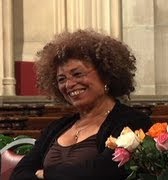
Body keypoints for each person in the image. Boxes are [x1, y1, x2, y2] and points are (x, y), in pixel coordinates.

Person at [11, 29, 152, 180]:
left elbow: (103, 173)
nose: (69, 84)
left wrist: (46, 174)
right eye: (61, 79)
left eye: (77, 74)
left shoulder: (133, 122)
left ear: (105, 75)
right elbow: (19, 173)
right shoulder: (56, 128)